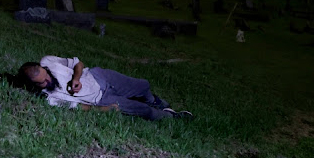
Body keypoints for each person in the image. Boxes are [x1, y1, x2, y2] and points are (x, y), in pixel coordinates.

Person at [18, 56, 192, 121]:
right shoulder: (49, 98)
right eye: (43, 82)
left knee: (143, 85)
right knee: (145, 112)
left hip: (98, 76)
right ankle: (172, 116)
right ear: (34, 85)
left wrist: (76, 78)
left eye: (46, 75)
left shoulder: (48, 61)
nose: (48, 80)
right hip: (101, 99)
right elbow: (79, 107)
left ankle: (156, 101)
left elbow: (77, 63)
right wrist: (103, 109)